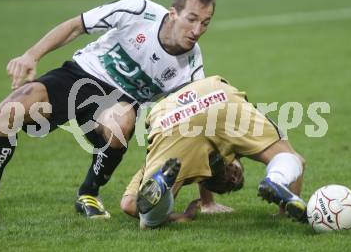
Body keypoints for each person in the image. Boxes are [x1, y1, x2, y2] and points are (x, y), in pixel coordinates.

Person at [0, 0, 224, 221]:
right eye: (191, 19)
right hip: (78, 76)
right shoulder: (138, 10)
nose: (197, 29)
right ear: (173, 13)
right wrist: (31, 55)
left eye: (206, 23)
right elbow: (77, 26)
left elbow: (193, 124)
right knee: (9, 111)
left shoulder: (191, 68)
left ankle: (89, 193)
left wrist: (207, 198)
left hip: (117, 101)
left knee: (122, 122)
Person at [120, 76, 307, 229]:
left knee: (148, 219)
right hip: (217, 94)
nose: (234, 179)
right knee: (291, 159)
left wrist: (182, 215)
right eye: (235, 182)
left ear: (207, 173)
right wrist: (284, 212)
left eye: (228, 183)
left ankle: (163, 184)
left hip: (169, 119)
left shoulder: (187, 164)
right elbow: (300, 161)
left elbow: (129, 205)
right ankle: (276, 179)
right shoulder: (225, 150)